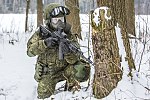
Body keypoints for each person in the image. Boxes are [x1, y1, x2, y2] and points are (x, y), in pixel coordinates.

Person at [27, 3, 90, 99]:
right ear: (49, 21)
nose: (59, 23)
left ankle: (73, 90)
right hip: (49, 72)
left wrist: (68, 53)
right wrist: (44, 43)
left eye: (61, 20)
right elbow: (29, 52)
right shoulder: (41, 33)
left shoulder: (68, 34)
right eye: (55, 20)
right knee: (43, 95)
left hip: (65, 70)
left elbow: (75, 59)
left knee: (81, 68)